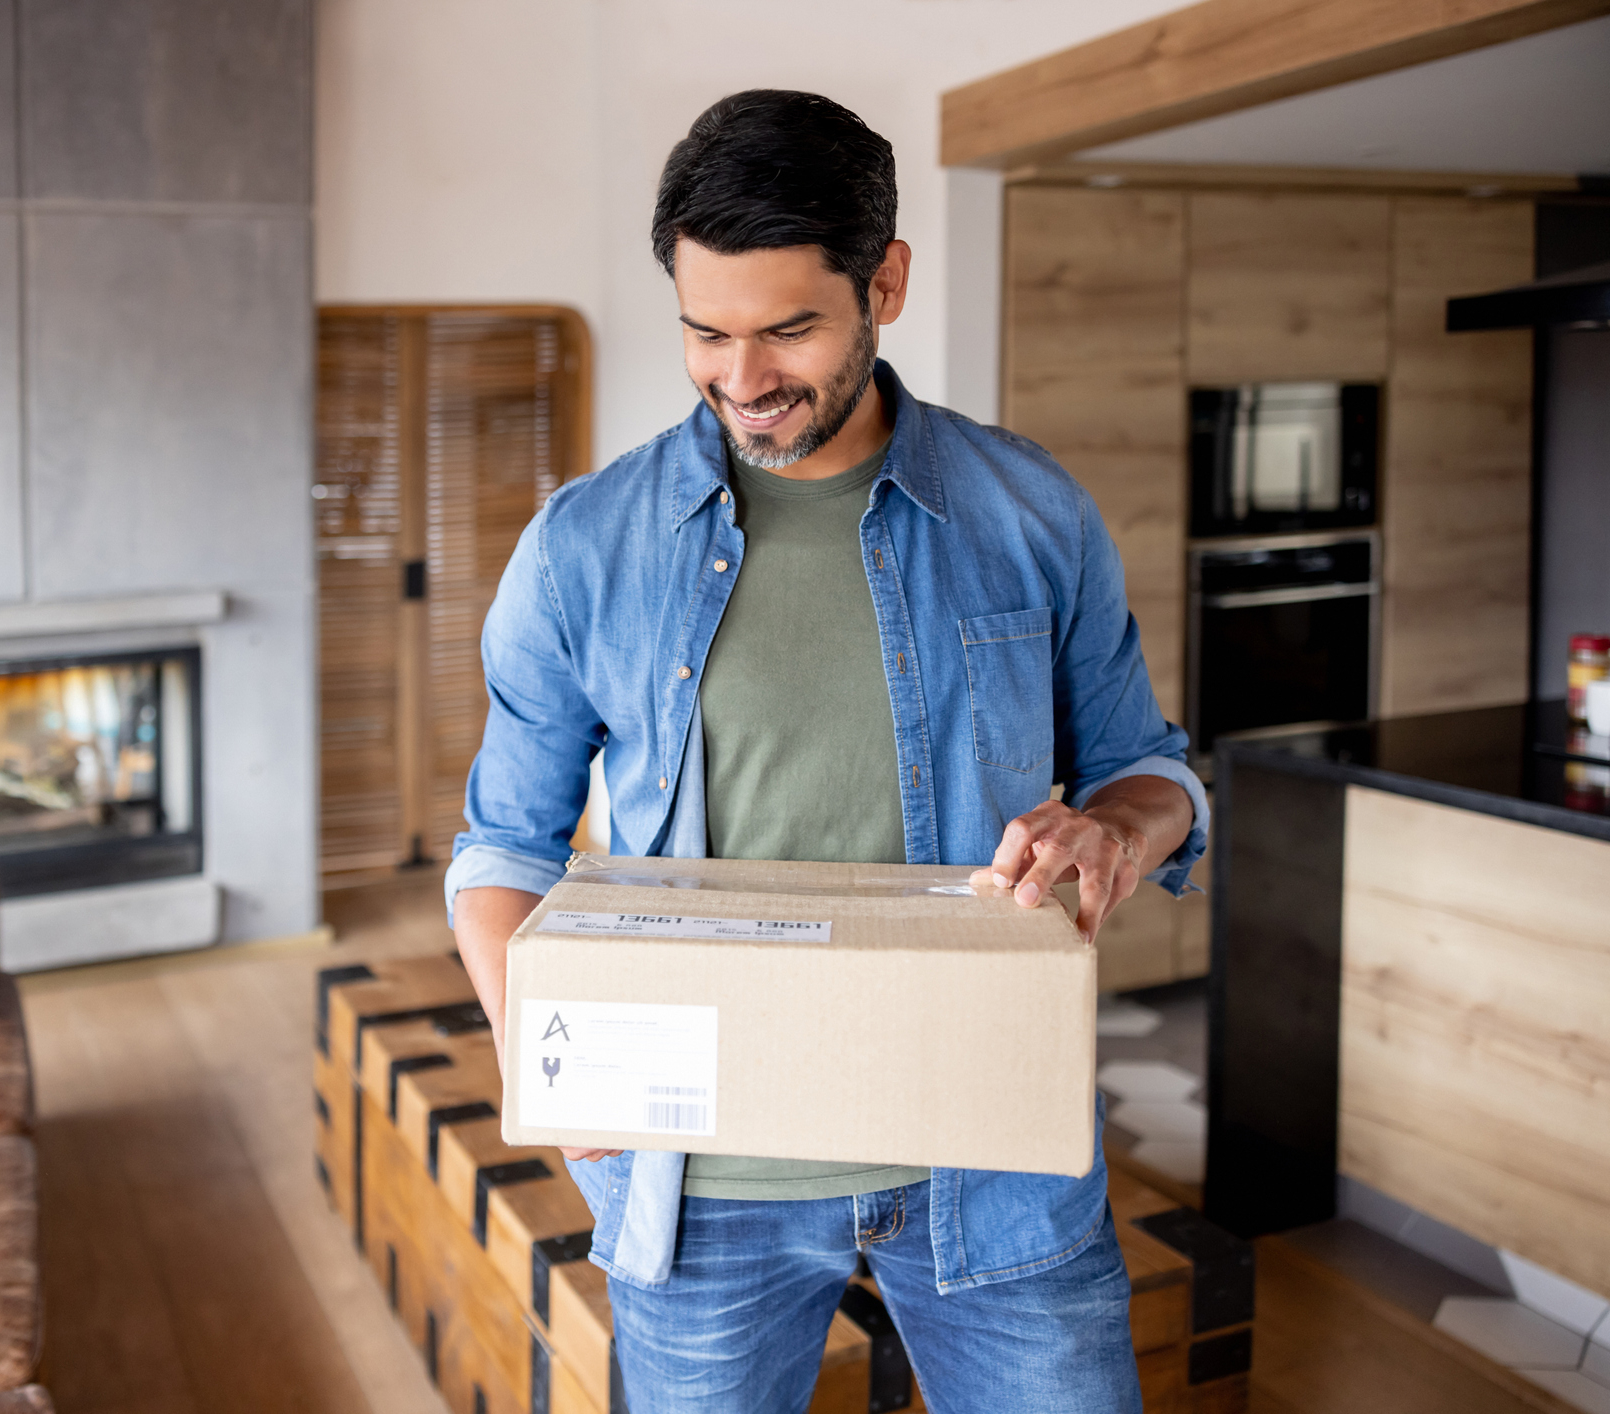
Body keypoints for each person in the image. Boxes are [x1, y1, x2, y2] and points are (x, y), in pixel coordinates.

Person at [445, 89, 1206, 1414]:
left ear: (885, 282)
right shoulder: (584, 545)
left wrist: (1120, 827)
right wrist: (549, 1066)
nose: (744, 380)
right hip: (699, 1187)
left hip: (992, 1160)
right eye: (706, 331)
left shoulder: (1031, 511)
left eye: (790, 327)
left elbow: (1155, 766)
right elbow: (504, 842)